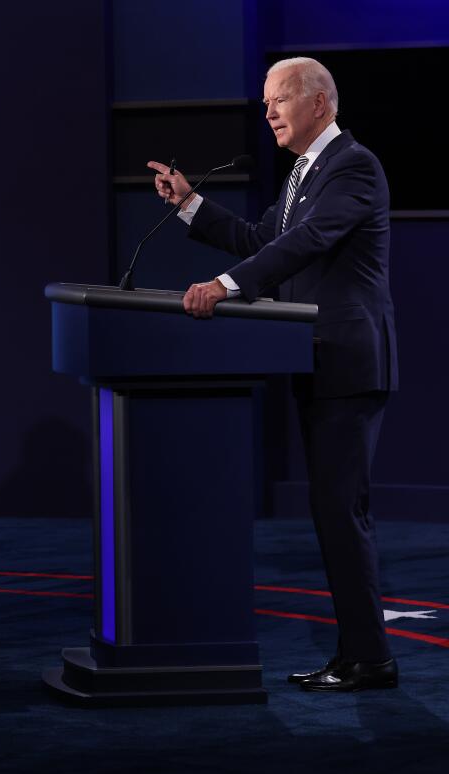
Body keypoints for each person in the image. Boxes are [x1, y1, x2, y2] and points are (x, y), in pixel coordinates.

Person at [148, 57, 399, 692]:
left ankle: (370, 659)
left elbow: (306, 242)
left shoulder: (353, 166)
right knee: (332, 512)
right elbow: (264, 238)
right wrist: (192, 206)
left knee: (341, 513)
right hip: (316, 361)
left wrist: (227, 287)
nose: (268, 113)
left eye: (278, 100)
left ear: (319, 103)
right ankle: (359, 653)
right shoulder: (302, 174)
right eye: (265, 102)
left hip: (348, 364)